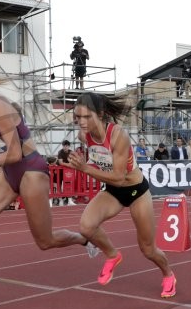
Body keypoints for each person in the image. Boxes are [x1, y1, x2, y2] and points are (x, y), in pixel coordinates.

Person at [0, 62, 101, 309]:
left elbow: (15, 152)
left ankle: (85, 239)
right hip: (9, 173)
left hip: (31, 172)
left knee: (45, 241)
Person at [63, 92, 177, 298]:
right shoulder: (83, 135)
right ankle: (112, 255)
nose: (81, 122)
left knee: (148, 249)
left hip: (135, 191)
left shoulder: (118, 136)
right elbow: (105, 170)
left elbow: (118, 176)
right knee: (86, 226)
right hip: (113, 191)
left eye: (87, 117)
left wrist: (84, 168)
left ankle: (168, 274)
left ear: (101, 114)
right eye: (78, 117)